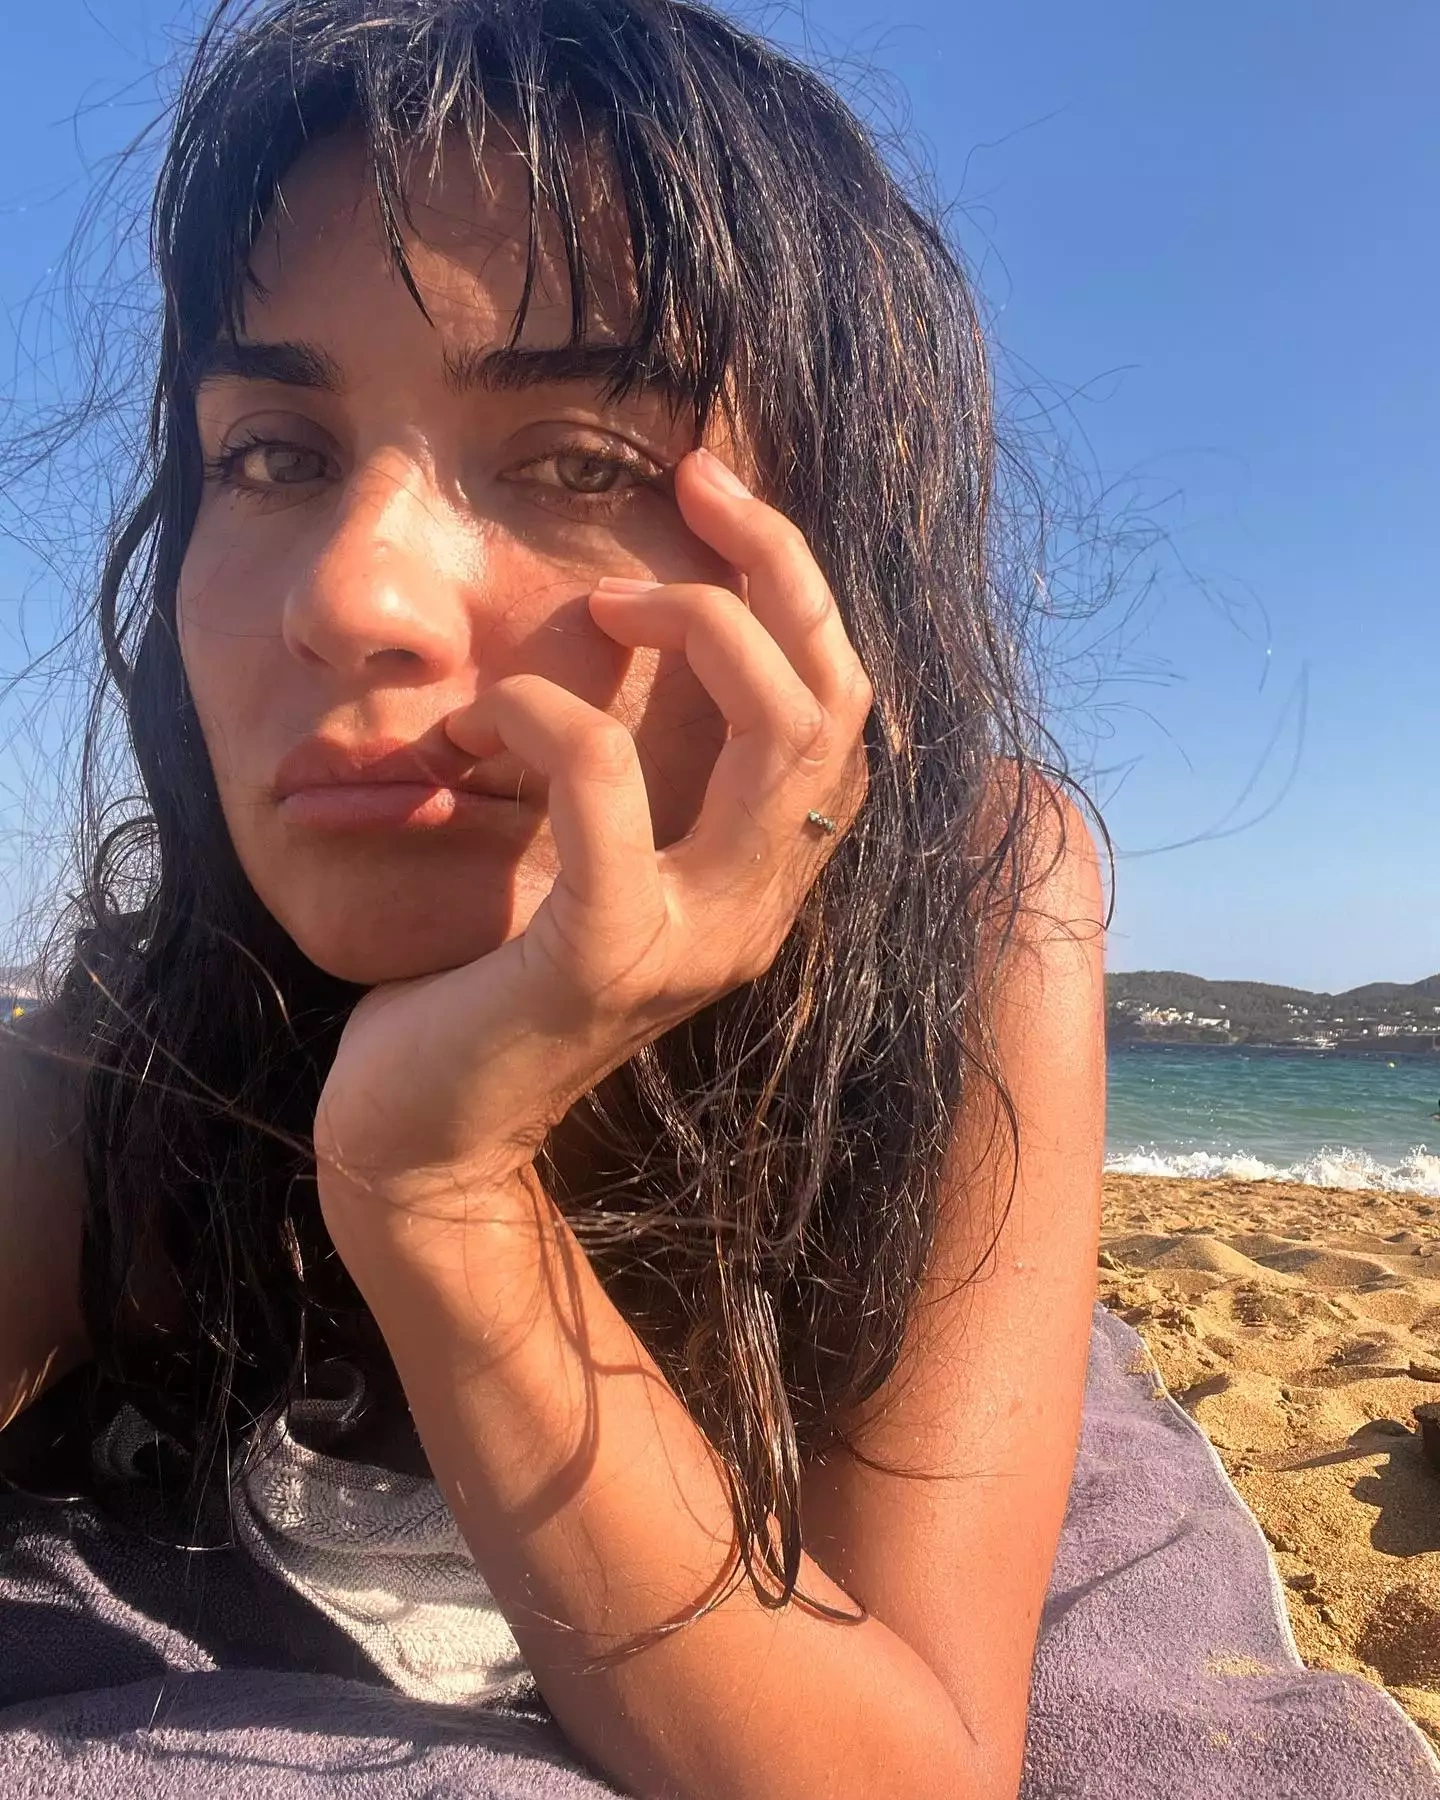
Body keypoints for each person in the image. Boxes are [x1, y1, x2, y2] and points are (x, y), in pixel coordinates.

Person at [0, 3, 1105, 1797]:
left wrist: (435, 1188)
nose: (353, 596)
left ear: (836, 555)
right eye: (272, 453)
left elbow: (910, 1773)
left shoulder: (979, 896)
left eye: (585, 461)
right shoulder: (131, 1043)